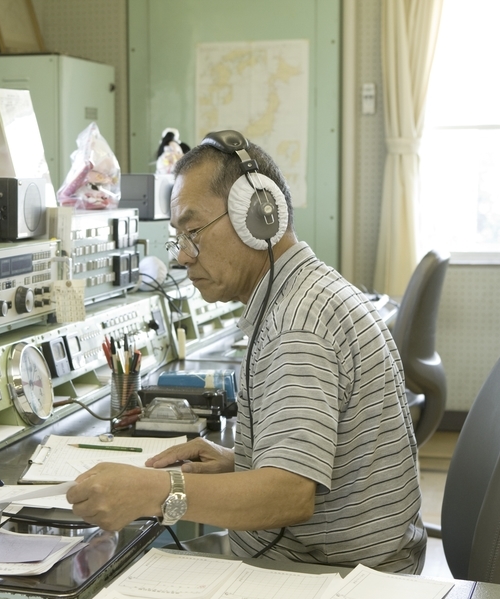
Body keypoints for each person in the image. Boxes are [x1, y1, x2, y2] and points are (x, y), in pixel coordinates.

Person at [66, 130, 427, 574]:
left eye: (192, 231)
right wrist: (243, 464)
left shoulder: (297, 325)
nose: (182, 256)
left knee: (114, 577)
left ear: (257, 218)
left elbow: (289, 494)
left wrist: (154, 490)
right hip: (345, 561)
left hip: (340, 580)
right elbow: (324, 471)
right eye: (176, 237)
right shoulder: (305, 292)